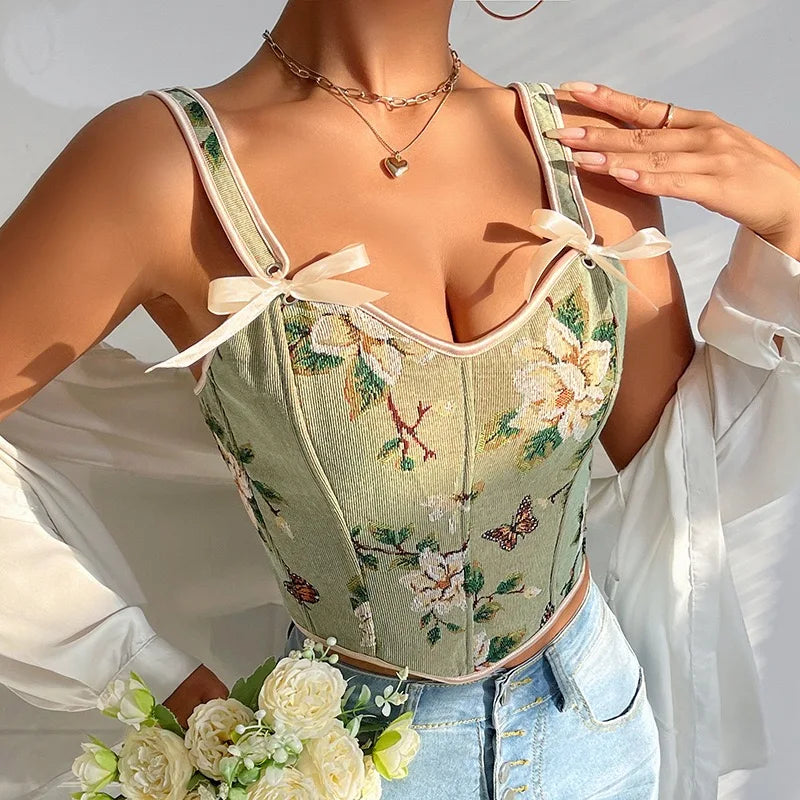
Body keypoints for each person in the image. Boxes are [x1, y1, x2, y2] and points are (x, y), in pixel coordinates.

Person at [1, 1, 799, 798]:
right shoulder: (162, 165)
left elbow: (687, 480)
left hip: (594, 735)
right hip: (347, 764)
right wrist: (128, 661)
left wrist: (792, 220)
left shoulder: (580, 152)